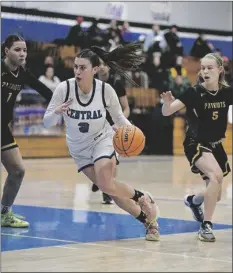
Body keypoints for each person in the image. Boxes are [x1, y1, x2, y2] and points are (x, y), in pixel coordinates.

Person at [43, 42, 160, 241]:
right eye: (76, 67)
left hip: (102, 140)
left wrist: (131, 131)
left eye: (83, 67)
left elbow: (119, 119)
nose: (78, 71)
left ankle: (142, 200)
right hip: (79, 150)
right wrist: (56, 112)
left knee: (106, 184)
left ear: (95, 69)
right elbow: (47, 123)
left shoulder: (105, 90)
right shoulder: (64, 88)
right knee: (112, 191)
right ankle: (147, 219)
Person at [161, 53, 232, 242]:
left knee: (215, 195)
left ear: (220, 70)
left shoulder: (227, 92)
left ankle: (193, 201)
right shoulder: (193, 93)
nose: (205, 71)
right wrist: (167, 104)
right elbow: (168, 111)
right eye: (203, 67)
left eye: (210, 67)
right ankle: (206, 227)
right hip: (196, 143)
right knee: (215, 175)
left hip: (216, 145)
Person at [1, 35, 53, 227]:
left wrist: (62, 102)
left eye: (24, 50)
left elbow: (43, 90)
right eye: (17, 50)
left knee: (17, 171)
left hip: (2, 129)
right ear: (6, 51)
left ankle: (4, 213)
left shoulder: (22, 73)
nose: (22, 53)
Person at [91, 59, 130, 204]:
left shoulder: (117, 84)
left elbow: (126, 108)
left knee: (112, 161)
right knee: (96, 159)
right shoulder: (91, 84)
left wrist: (119, 122)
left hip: (113, 127)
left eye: (104, 64)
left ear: (109, 66)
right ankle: (98, 179)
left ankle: (107, 192)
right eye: (98, 64)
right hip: (95, 126)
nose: (101, 67)